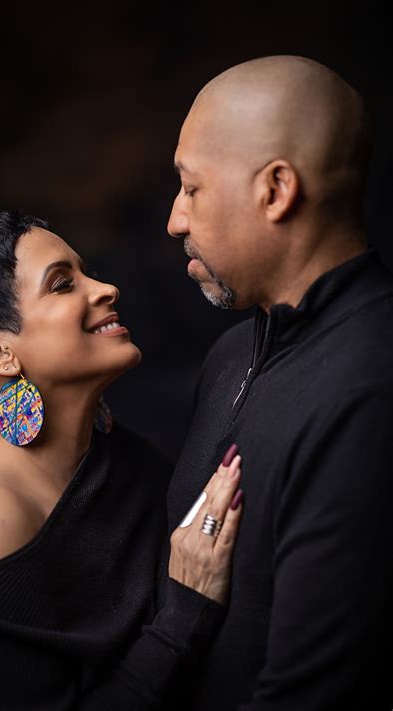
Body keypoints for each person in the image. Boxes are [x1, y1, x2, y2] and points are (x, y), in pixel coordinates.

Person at [0, 210, 245, 710]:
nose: (107, 288)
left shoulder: (107, 443)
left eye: (86, 272)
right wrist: (186, 609)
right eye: (62, 284)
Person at [163, 55, 393, 710]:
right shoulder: (232, 353)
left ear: (276, 190)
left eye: (191, 188)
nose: (175, 220)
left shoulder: (373, 389)